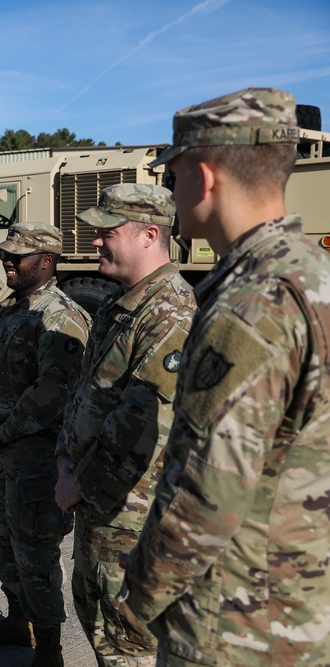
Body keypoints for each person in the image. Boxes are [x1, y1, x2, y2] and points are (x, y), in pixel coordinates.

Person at [118, 88, 330, 666]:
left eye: (174, 174)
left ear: (204, 177)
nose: (169, 191)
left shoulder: (250, 302)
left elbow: (210, 491)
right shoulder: (312, 270)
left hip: (236, 623)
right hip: (298, 600)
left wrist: (137, 598)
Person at [53, 184, 196, 666]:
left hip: (129, 509)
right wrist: (64, 459)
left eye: (106, 232)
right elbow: (86, 395)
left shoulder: (169, 312)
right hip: (100, 502)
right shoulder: (122, 305)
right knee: (100, 623)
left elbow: (139, 426)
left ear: (149, 234)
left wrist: (78, 482)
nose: (95, 242)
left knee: (128, 642)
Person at [0, 222, 90, 665]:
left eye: (18, 255)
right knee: (0, 540)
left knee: (35, 551)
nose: (8, 260)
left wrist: (3, 431)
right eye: (6, 253)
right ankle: (17, 621)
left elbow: (52, 392)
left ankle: (50, 649)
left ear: (46, 260)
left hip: (36, 456)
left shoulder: (61, 316)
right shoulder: (4, 311)